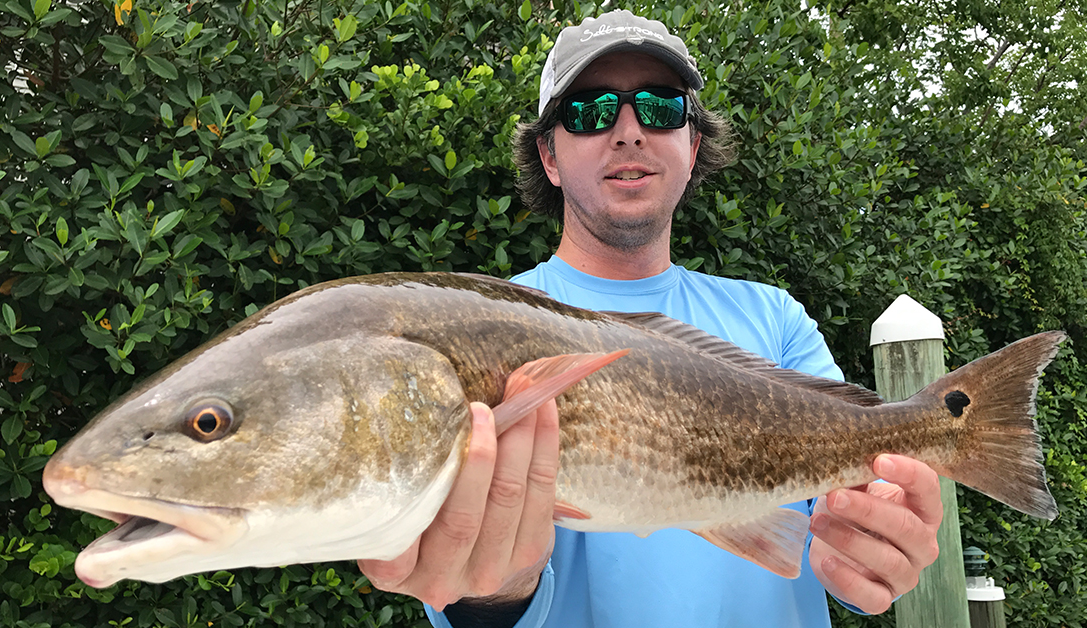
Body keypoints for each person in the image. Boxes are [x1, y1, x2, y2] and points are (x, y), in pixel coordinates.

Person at [360, 10, 944, 627]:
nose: (629, 131)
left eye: (661, 106)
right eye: (590, 109)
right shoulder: (481, 333)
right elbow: (472, 601)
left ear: (691, 148)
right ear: (549, 156)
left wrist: (876, 550)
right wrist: (493, 593)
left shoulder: (775, 317)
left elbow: (850, 531)